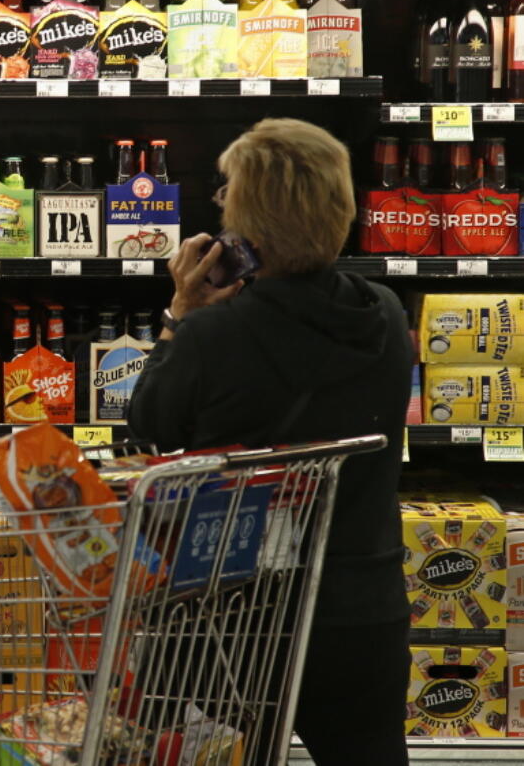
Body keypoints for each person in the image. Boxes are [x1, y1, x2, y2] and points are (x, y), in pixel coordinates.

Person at [128, 118, 411, 765]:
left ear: (247, 224)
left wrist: (180, 313)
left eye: (228, 191)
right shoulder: (388, 315)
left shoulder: (211, 335)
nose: (219, 200)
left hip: (233, 623)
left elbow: (149, 430)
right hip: (362, 610)